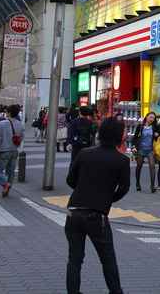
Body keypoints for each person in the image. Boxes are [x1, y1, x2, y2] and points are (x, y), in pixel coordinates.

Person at [65, 117, 130, 294]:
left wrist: (83, 190)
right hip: (97, 216)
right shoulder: (122, 160)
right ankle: (116, 291)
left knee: (75, 259)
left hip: (74, 211)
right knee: (107, 258)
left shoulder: (85, 153)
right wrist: (107, 199)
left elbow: (70, 180)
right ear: (118, 136)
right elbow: (124, 188)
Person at [0, 104, 24, 198]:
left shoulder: (2, 123)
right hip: (14, 150)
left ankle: (5, 185)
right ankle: (7, 188)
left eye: (7, 111)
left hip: (3, 150)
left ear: (9, 113)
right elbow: (21, 137)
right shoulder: (20, 124)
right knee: (10, 171)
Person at [132, 112, 158, 192]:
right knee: (139, 166)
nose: (152, 119)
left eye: (153, 118)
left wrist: (157, 135)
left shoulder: (154, 127)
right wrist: (134, 147)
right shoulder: (140, 127)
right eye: (150, 117)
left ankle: (152, 185)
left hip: (150, 149)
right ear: (146, 117)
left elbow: (158, 137)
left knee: (152, 166)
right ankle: (137, 183)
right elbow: (135, 137)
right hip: (141, 149)